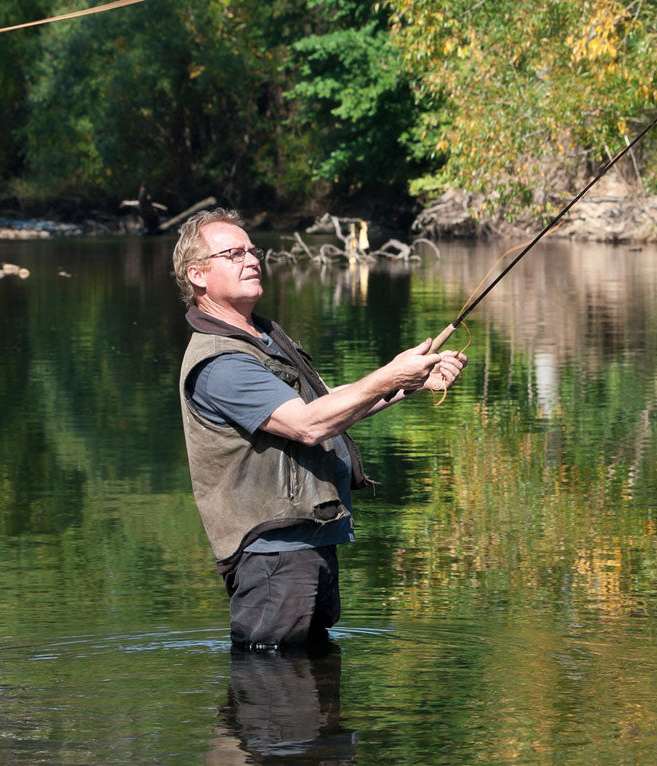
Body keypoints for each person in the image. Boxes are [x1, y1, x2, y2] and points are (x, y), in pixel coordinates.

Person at [172, 208, 467, 648]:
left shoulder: (264, 338)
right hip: (273, 555)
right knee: (274, 697)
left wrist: (412, 381)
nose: (252, 260)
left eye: (253, 251)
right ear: (197, 275)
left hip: (306, 542)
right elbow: (309, 425)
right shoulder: (221, 362)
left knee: (314, 699)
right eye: (234, 254)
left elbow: (329, 404)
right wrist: (390, 374)